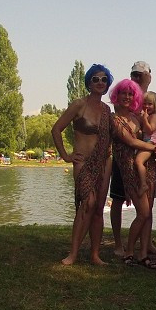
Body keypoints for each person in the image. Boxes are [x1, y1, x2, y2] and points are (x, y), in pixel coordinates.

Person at [52, 64, 113, 266]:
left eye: (104, 79)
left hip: (104, 163)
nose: (100, 83)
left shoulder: (107, 110)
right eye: (96, 79)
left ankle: (95, 254)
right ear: (88, 82)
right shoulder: (79, 105)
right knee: (87, 203)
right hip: (83, 162)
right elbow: (56, 129)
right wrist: (65, 155)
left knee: (98, 209)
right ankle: (73, 254)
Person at [110, 78, 156, 269]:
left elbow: (154, 131)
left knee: (147, 214)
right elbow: (130, 142)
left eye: (131, 94)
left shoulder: (136, 116)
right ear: (117, 95)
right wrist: (151, 146)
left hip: (148, 166)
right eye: (123, 93)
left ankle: (143, 254)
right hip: (129, 168)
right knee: (143, 212)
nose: (127, 97)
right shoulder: (114, 119)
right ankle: (129, 251)